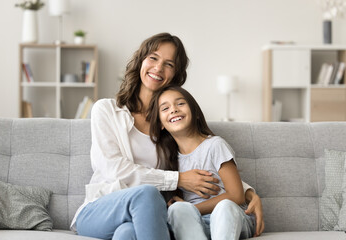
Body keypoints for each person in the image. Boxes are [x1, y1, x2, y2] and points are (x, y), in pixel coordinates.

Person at [71, 32, 264, 240]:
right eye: (153, 58)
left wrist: (249, 193)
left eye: (169, 64)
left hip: (142, 218)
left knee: (126, 234)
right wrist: (177, 179)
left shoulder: (170, 126)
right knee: (147, 193)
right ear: (141, 61)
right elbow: (111, 168)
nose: (158, 68)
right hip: (101, 210)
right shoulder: (107, 110)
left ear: (175, 74)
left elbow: (199, 160)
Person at [148, 85, 256, 240]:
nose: (173, 109)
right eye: (165, 108)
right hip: (199, 224)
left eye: (180, 103)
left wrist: (192, 208)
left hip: (234, 218)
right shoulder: (168, 160)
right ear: (161, 124)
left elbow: (237, 195)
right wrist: (184, 208)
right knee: (177, 209)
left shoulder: (215, 145)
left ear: (195, 112)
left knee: (223, 207)